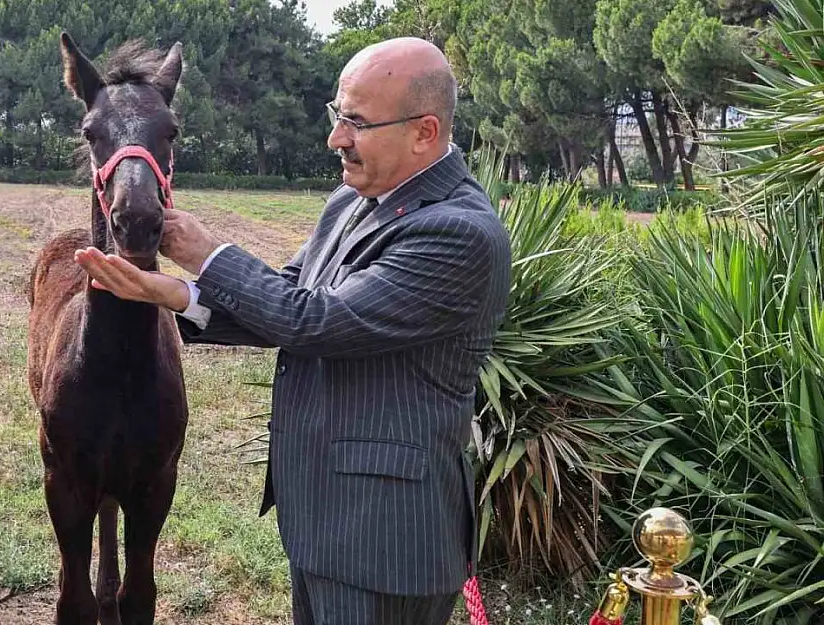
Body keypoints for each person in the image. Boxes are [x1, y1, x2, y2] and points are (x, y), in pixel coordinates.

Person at [74, 36, 511, 625]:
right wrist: (168, 292)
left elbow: (317, 321)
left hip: (385, 543)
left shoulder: (458, 234)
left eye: (355, 122)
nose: (336, 138)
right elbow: (287, 297)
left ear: (424, 132)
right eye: (338, 116)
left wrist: (207, 254)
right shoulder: (353, 202)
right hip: (323, 525)